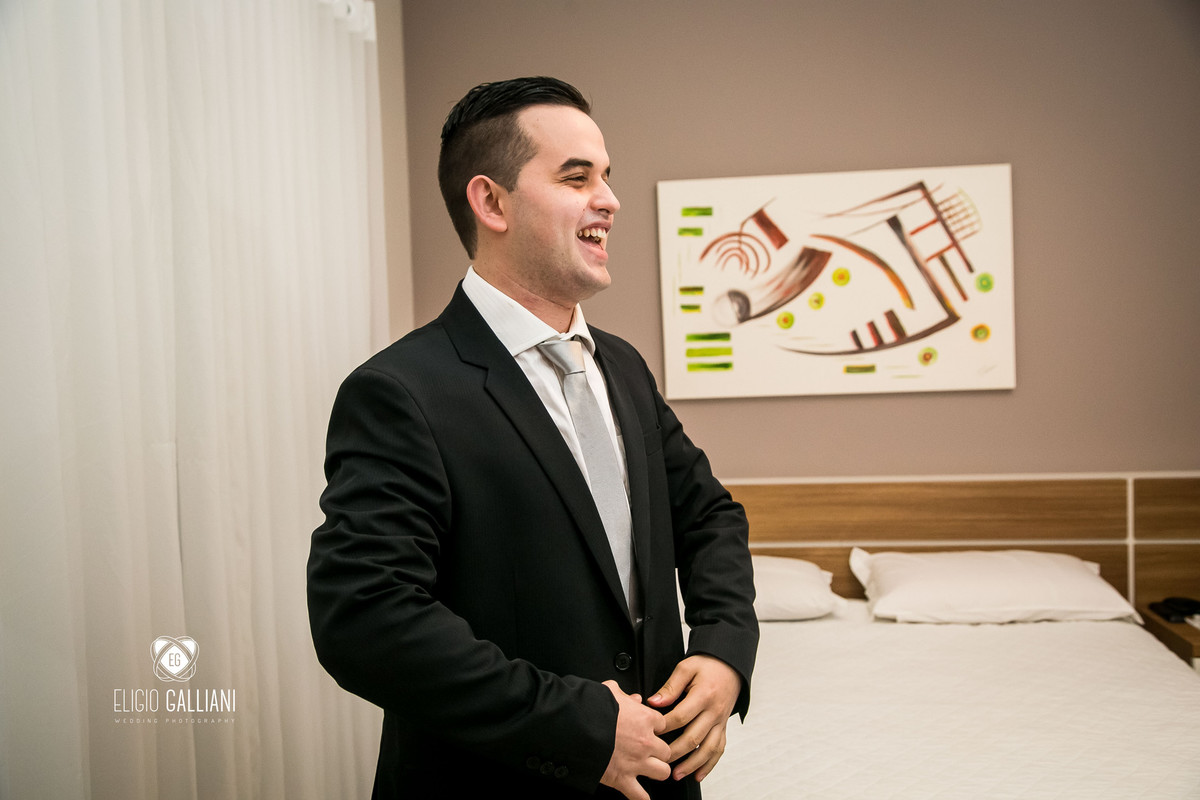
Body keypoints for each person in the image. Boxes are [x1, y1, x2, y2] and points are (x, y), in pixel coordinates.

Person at [307, 76, 758, 800]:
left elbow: (708, 515)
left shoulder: (623, 367)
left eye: (606, 176)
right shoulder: (399, 392)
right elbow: (364, 618)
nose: (609, 200)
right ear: (491, 203)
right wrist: (580, 728)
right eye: (577, 178)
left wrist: (724, 649)